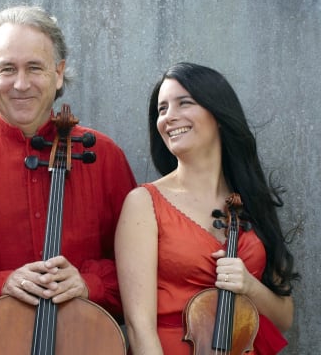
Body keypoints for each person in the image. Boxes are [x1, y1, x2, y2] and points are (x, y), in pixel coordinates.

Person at [0, 5, 137, 336]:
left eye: (34, 68)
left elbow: (143, 272)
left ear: (58, 73)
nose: (20, 84)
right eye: (7, 69)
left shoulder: (105, 157)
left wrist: (89, 284)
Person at [115, 62, 299, 354]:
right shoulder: (143, 203)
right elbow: (139, 326)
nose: (169, 118)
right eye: (162, 110)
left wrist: (249, 286)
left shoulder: (251, 200)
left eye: (184, 103)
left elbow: (284, 316)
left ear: (219, 114)